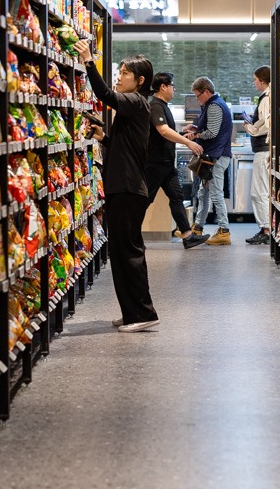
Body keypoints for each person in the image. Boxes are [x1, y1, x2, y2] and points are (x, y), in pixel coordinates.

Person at [75, 40, 159, 333]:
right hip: (123, 187)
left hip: (128, 189)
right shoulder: (131, 110)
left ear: (140, 81)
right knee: (121, 254)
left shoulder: (136, 101)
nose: (119, 76)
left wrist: (88, 62)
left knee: (129, 253)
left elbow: (104, 94)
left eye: (125, 73)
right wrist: (103, 137)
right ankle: (132, 311)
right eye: (120, 71)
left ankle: (143, 313)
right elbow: (126, 148)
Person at [146, 73, 210, 250]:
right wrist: (188, 142)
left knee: (177, 197)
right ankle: (128, 236)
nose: (174, 89)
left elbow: (167, 134)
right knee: (144, 200)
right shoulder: (156, 106)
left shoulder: (164, 106)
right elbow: (164, 132)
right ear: (163, 87)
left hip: (166, 164)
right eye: (172, 86)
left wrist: (183, 135)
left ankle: (188, 236)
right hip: (155, 163)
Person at [185, 76, 234, 246]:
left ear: (206, 92)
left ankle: (224, 230)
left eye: (198, 96)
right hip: (214, 156)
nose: (197, 100)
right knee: (203, 192)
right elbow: (211, 128)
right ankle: (198, 227)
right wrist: (196, 128)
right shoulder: (215, 104)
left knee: (215, 193)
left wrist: (195, 135)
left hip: (216, 156)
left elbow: (212, 132)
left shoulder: (214, 106)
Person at [242, 66, 272, 245]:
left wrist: (250, 128)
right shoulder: (268, 97)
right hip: (265, 150)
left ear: (262, 80)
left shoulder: (266, 99)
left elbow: (267, 124)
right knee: (263, 190)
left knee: (259, 191)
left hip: (263, 151)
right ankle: (267, 227)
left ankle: (266, 229)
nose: (254, 82)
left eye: (255, 79)